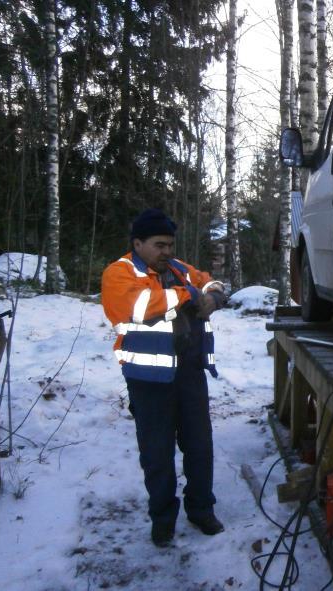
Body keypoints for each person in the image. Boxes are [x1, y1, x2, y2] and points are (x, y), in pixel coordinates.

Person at [101, 208, 228, 547]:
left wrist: (213, 295)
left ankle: (201, 509)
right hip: (147, 379)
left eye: (170, 244)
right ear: (138, 243)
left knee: (200, 446)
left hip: (189, 371)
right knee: (157, 455)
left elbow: (209, 280)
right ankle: (163, 519)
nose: (166, 251)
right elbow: (140, 306)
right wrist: (191, 295)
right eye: (159, 245)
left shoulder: (177, 268)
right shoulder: (119, 273)